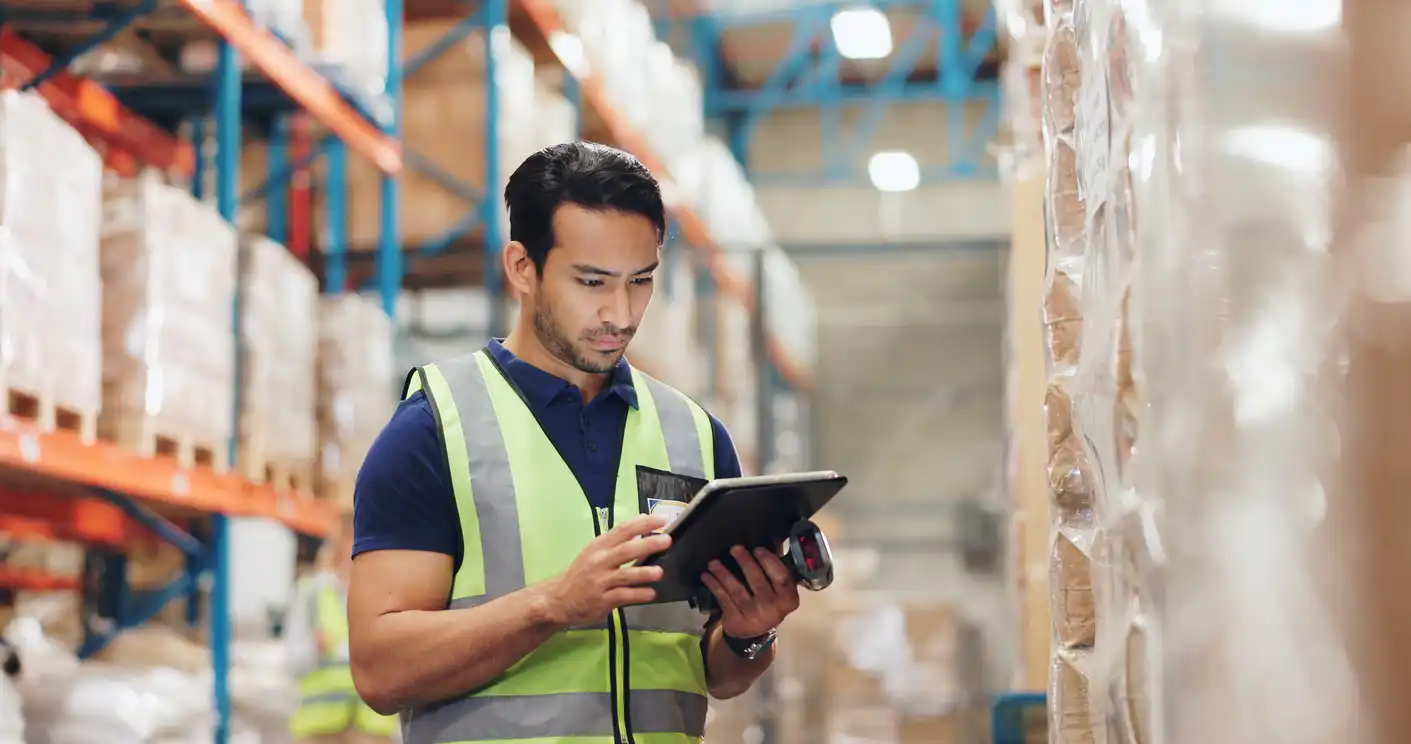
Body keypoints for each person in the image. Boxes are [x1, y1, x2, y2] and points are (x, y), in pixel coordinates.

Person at [346, 141, 802, 744]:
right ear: (522, 267)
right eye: (592, 282)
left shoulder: (695, 436)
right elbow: (379, 670)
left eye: (641, 281)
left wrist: (750, 634)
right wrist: (552, 606)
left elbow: (716, 673)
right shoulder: (434, 430)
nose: (621, 313)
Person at [284, 515, 399, 744]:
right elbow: (293, 662)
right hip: (320, 731)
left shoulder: (386, 592)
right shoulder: (312, 593)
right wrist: (315, 649)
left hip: (372, 730)